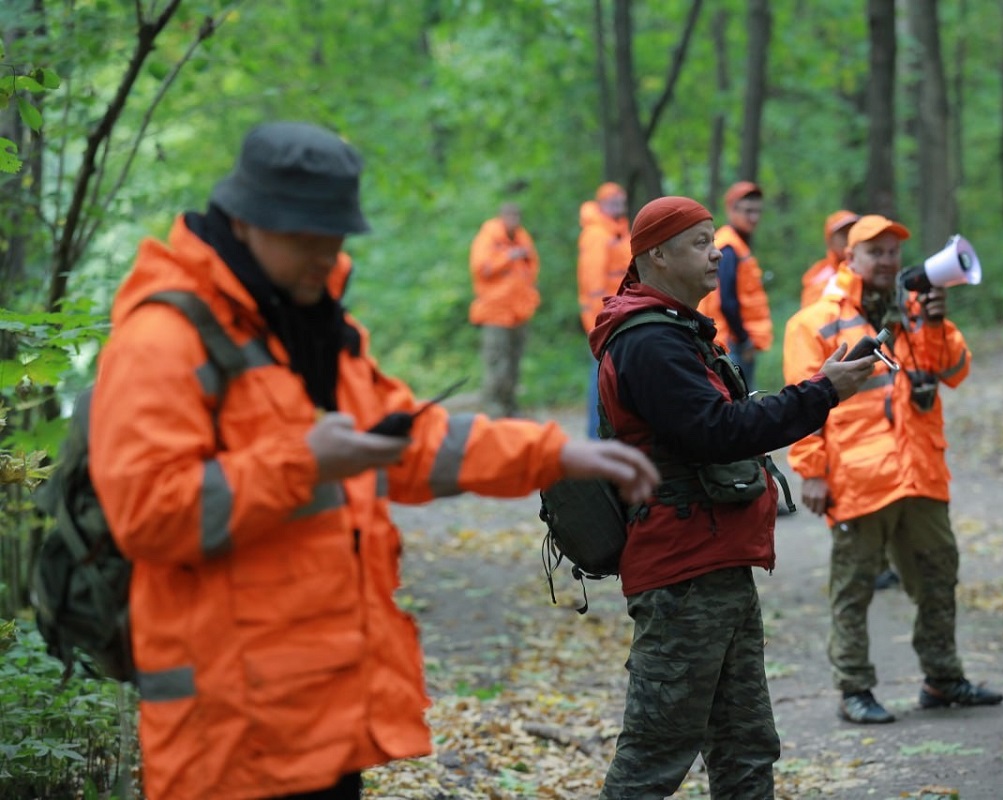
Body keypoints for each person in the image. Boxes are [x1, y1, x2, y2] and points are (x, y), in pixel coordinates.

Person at [87, 121, 660, 800]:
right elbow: (148, 516)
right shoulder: (163, 340)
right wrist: (303, 462)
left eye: (333, 238)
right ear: (243, 222)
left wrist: (556, 452)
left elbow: (412, 445)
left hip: (325, 713)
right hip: (224, 731)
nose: (324, 256)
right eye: (305, 238)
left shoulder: (313, 327)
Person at [591, 196, 878, 798]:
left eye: (712, 239)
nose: (716, 251)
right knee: (654, 758)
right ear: (657, 256)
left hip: (715, 564)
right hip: (681, 572)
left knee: (746, 747)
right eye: (699, 242)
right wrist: (822, 392)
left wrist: (818, 389)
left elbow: (722, 422)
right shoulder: (649, 343)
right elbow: (717, 432)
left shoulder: (676, 333)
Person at [782, 214, 1003, 725]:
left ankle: (942, 679)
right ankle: (854, 688)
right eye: (874, 251)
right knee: (854, 585)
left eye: (893, 252)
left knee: (937, 575)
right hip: (859, 479)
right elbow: (800, 404)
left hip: (920, 472)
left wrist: (935, 322)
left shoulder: (916, 310)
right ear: (850, 258)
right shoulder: (812, 322)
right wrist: (811, 471)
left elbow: (954, 371)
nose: (886, 260)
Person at [696, 181, 773, 390]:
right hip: (731, 343)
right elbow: (727, 300)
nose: (754, 217)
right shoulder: (728, 247)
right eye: (748, 211)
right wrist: (744, 339)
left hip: (730, 341)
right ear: (731, 210)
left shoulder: (735, 244)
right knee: (740, 407)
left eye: (757, 211)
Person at [468, 201, 539, 416]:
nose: (513, 220)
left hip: (519, 312)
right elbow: (481, 268)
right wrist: (508, 258)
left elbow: (533, 266)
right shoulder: (487, 237)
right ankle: (494, 412)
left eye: (516, 216)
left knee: (514, 364)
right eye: (509, 216)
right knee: (497, 364)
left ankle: (510, 408)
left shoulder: (522, 237)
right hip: (495, 313)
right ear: (501, 216)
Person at [577, 181, 632, 438]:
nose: (618, 206)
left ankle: (608, 435)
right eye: (613, 202)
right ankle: (595, 437)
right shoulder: (598, 234)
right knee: (601, 376)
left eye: (621, 201)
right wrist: (598, 321)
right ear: (601, 204)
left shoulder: (618, 231)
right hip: (604, 317)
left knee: (611, 377)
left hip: (618, 313)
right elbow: (593, 283)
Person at [799, 209, 859, 309]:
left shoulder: (870, 267)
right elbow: (810, 315)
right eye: (843, 234)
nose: (849, 238)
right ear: (830, 241)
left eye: (853, 231)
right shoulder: (820, 276)